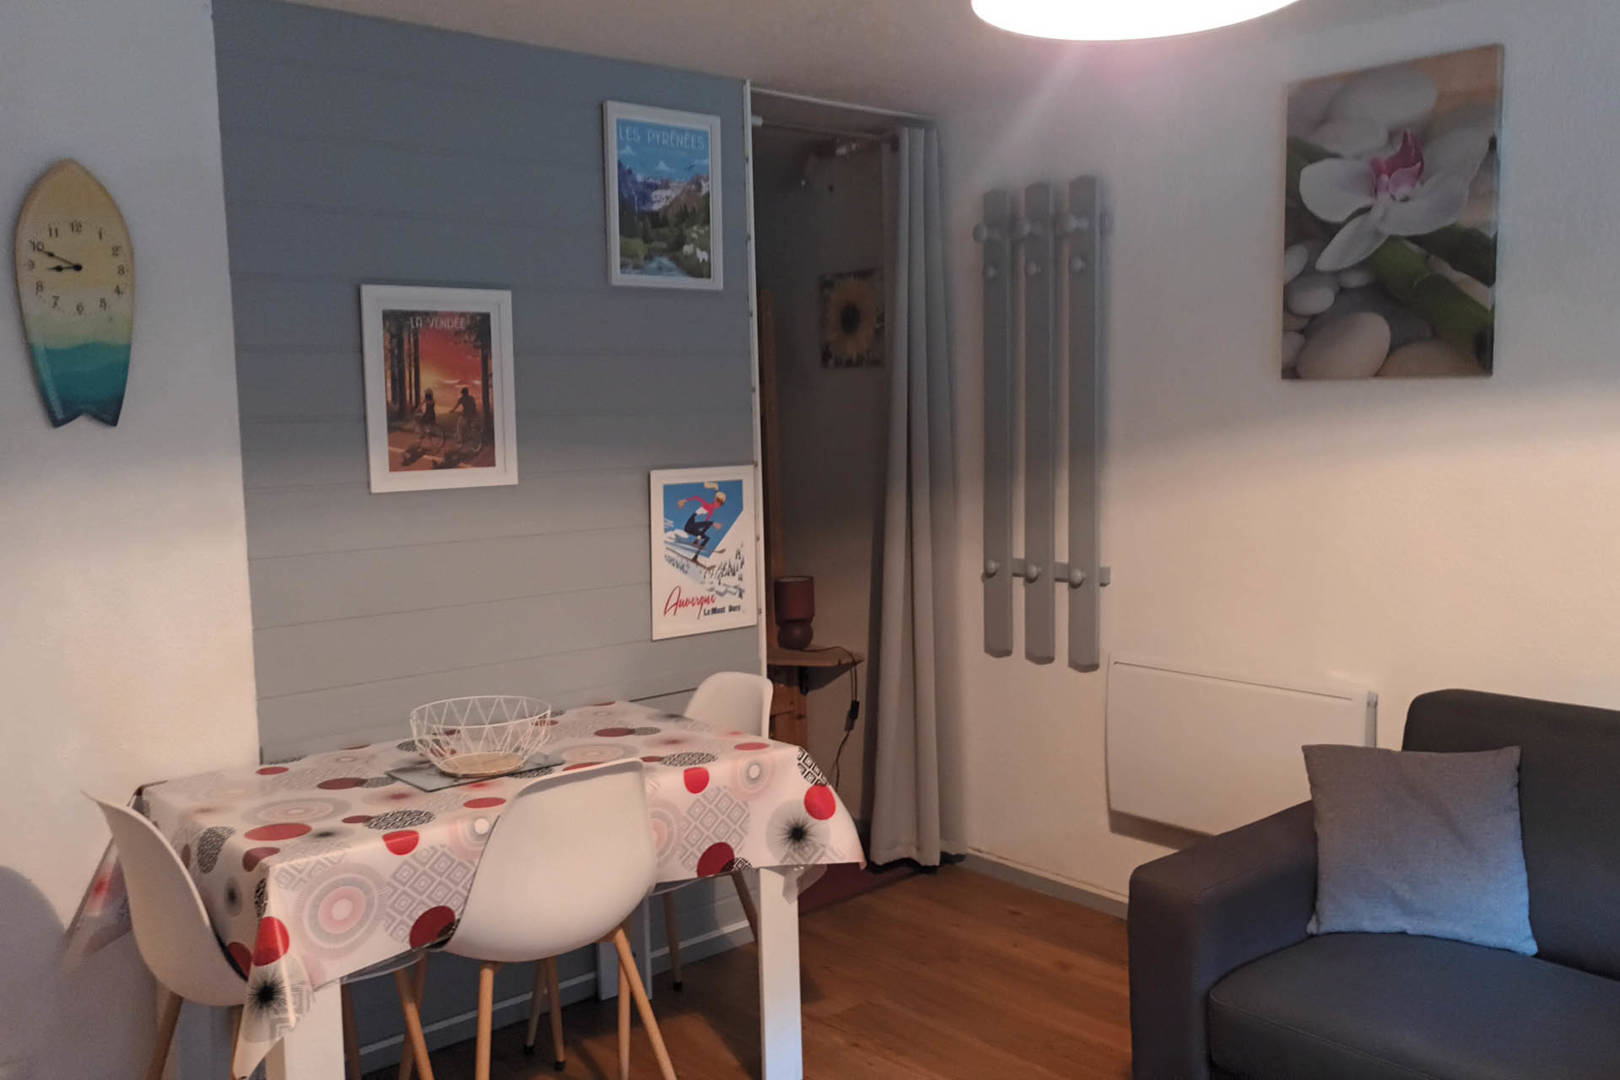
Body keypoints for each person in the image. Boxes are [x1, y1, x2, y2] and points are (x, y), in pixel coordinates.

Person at [677, 487, 728, 553]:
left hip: (693, 529)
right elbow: (697, 498)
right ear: (715, 501)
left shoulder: (711, 511)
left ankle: (696, 554)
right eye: (719, 503)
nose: (719, 506)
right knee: (709, 523)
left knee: (707, 537)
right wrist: (684, 500)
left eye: (721, 505)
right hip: (689, 526)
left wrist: (698, 538)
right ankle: (697, 541)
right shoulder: (707, 505)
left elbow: (704, 526)